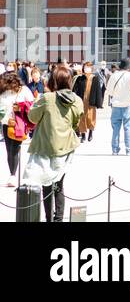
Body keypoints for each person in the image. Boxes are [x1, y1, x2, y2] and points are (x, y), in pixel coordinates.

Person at [25, 65, 83, 222]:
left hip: (45, 146)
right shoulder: (77, 100)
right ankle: (58, 219)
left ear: (53, 80)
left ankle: (50, 218)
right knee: (59, 185)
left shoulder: (47, 98)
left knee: (46, 185)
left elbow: (32, 117)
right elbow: (76, 123)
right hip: (66, 147)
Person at [0, 71, 34, 186]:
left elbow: (31, 106)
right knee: (9, 150)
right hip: (6, 124)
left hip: (18, 125)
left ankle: (13, 176)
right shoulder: (3, 91)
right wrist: (5, 120)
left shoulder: (24, 90)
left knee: (14, 149)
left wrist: (20, 108)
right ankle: (12, 173)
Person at [104, 59, 130, 156]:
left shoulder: (114, 75)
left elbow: (109, 91)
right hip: (128, 104)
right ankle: (129, 150)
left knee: (115, 128)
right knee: (128, 128)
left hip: (115, 105)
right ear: (129, 67)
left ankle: (115, 150)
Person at [72, 61, 103, 143]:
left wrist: (98, 102)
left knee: (90, 117)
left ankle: (90, 133)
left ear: (91, 68)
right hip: (82, 101)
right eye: (85, 67)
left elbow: (98, 91)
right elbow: (75, 90)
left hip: (91, 101)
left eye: (88, 67)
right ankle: (83, 135)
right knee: (82, 118)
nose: (87, 68)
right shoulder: (80, 78)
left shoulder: (95, 78)